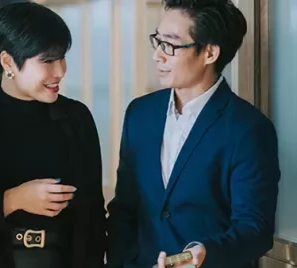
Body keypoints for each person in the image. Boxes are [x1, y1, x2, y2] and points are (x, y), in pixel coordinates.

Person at [106, 0, 280, 267]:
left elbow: (255, 228)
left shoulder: (249, 129)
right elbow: (125, 208)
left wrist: (205, 253)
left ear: (209, 53)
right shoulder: (140, 114)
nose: (158, 55)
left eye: (171, 45)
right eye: (158, 40)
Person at [0, 2, 105, 268]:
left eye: (62, 57)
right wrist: (13, 200)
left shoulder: (76, 118)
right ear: (8, 62)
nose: (60, 70)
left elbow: (94, 216)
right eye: (47, 60)